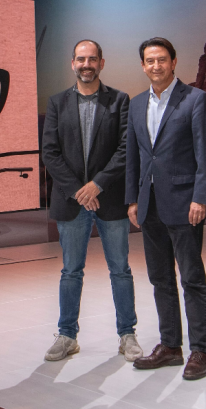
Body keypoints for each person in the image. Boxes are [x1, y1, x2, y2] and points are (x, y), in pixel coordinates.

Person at [40, 39, 142, 362]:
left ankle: (128, 335)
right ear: (73, 63)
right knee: (71, 271)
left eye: (92, 59)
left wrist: (97, 185)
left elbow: (126, 149)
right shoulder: (57, 103)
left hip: (109, 200)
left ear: (101, 63)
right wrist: (78, 190)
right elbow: (50, 153)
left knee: (120, 270)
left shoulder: (120, 101)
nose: (86, 64)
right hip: (72, 203)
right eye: (81, 59)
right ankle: (67, 335)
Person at [125, 37, 206, 380]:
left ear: (174, 62)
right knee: (160, 279)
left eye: (161, 60)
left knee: (192, 279)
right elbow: (134, 156)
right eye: (149, 61)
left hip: (184, 203)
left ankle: (199, 350)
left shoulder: (195, 99)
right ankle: (170, 346)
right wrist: (132, 199)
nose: (156, 66)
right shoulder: (136, 105)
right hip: (148, 206)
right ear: (143, 66)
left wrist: (201, 197)